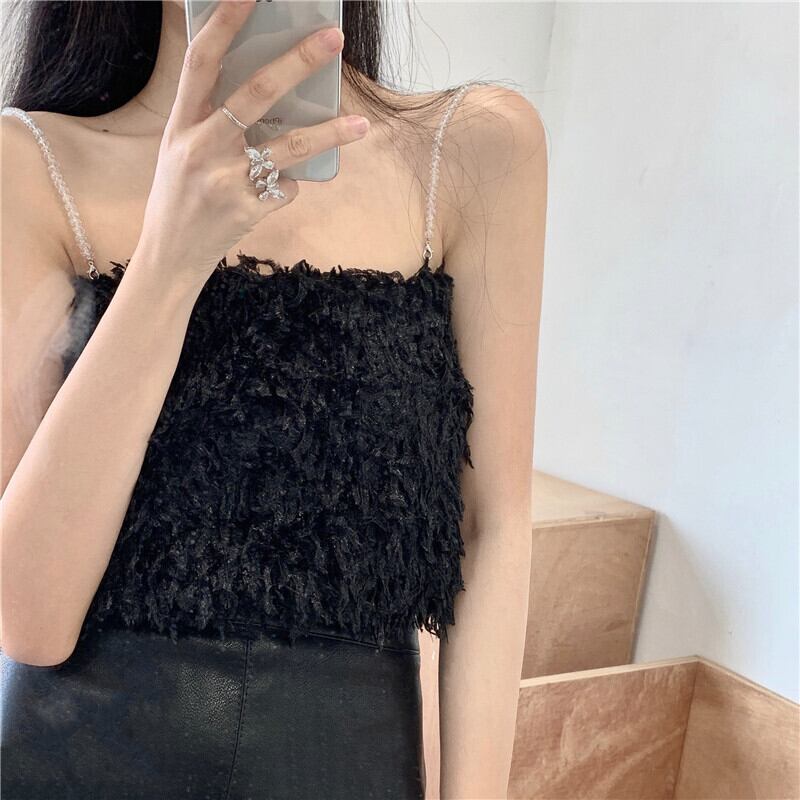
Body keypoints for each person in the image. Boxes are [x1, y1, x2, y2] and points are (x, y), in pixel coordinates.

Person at [0, 0, 547, 797]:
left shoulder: (472, 150)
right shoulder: (28, 165)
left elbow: (491, 525)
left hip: (347, 764)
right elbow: (31, 621)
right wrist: (170, 255)